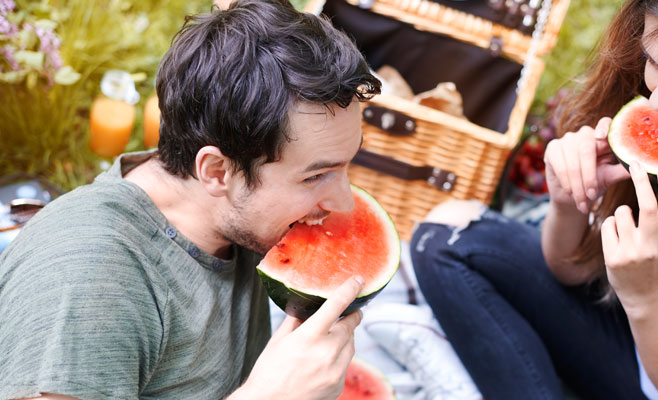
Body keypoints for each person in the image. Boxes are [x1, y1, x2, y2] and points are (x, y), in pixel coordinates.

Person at [409, 0, 658, 399]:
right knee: (444, 235)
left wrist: (645, 298)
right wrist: (569, 202)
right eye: (653, 63)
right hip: (624, 342)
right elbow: (570, 272)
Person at [0, 0, 381, 398]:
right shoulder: (90, 284)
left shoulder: (235, 210)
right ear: (216, 171)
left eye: (345, 166)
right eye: (317, 175)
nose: (346, 203)